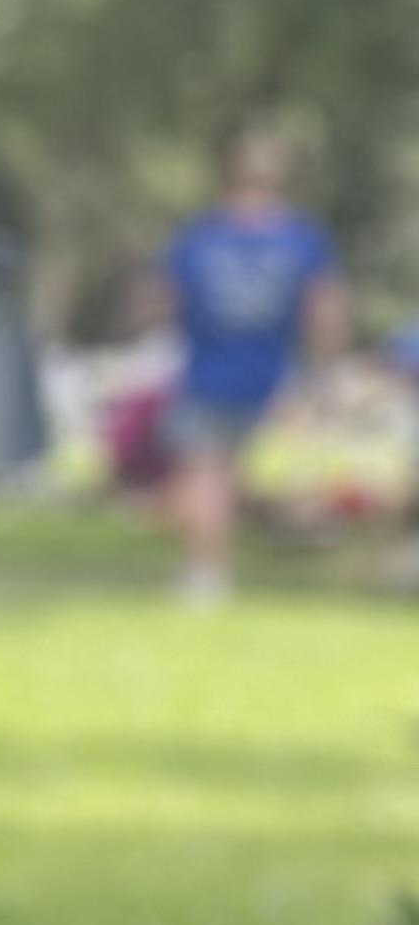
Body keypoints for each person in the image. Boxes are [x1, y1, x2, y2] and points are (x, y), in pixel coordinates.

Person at [154, 128, 346, 605]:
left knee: (206, 471)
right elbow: (325, 309)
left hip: (208, 370)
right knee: (225, 474)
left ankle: (206, 573)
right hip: (273, 373)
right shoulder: (303, 239)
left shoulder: (201, 235)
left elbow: (163, 301)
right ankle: (212, 566)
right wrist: (325, 369)